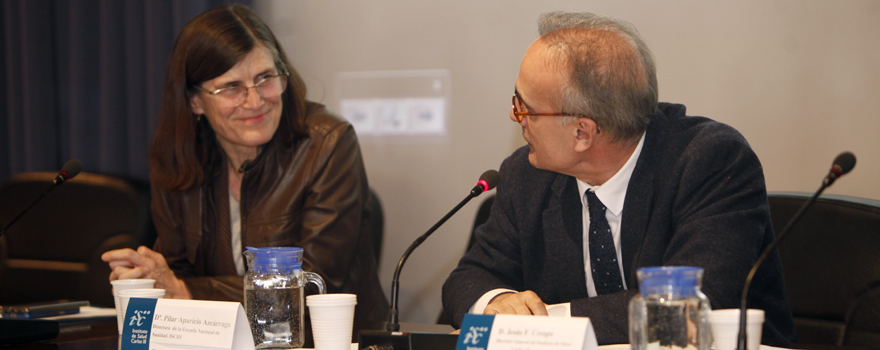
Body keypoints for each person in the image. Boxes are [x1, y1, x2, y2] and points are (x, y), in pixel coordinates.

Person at [442, 11, 796, 345]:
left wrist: (538, 323)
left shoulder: (709, 162)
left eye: (525, 107)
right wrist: (497, 301)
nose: (514, 115)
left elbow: (688, 308)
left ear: (583, 133)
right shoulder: (527, 175)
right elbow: (468, 279)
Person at [101, 5, 388, 322]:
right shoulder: (177, 159)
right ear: (194, 101)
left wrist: (187, 291)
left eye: (265, 78)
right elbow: (176, 271)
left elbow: (309, 285)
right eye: (231, 87)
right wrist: (153, 278)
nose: (255, 101)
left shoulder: (328, 143)